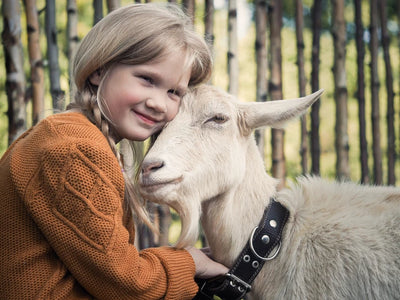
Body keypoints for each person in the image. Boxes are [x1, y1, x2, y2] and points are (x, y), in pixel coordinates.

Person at [0, 3, 228, 299]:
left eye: (174, 92)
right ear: (98, 70)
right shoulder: (75, 150)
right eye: (147, 79)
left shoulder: (78, 138)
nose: (159, 103)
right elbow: (125, 284)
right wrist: (189, 262)